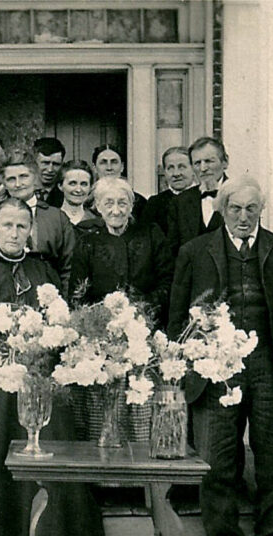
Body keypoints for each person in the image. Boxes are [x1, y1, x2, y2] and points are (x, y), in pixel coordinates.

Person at [168, 176, 273, 536]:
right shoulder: (194, 252)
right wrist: (185, 364)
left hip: (268, 366)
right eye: (235, 209)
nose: (244, 217)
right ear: (222, 209)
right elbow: (177, 317)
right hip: (215, 371)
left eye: (251, 209)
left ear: (261, 210)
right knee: (216, 459)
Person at [0, 198, 106, 536]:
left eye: (21, 226)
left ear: (30, 229)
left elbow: (61, 328)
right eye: (7, 225)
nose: (14, 232)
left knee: (47, 456)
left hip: (40, 377)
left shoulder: (45, 272)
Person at [69, 176, 174, 442]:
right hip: (101, 339)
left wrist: (142, 311)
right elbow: (78, 292)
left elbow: (167, 281)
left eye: (122, 203)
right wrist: (98, 321)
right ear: (98, 207)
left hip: (145, 335)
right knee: (103, 410)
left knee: (140, 411)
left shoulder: (151, 234)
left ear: (131, 205)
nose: (116, 210)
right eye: (109, 203)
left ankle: (137, 479)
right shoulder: (87, 240)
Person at [1, 148, 76, 294]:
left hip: (49, 293)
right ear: (4, 183)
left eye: (23, 176)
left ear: (35, 177)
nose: (18, 184)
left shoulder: (57, 218)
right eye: (11, 179)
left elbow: (69, 268)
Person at [166, 136, 230, 257]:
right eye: (197, 163)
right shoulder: (181, 202)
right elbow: (173, 251)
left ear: (225, 161)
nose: (203, 168)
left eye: (209, 161)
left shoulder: (240, 196)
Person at [143, 146, 196, 235]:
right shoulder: (155, 203)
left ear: (193, 169)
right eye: (170, 168)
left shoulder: (204, 199)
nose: (176, 173)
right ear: (164, 172)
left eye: (182, 167)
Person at [91, 144, 148, 216]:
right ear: (95, 168)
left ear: (122, 167)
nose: (109, 168)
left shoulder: (138, 202)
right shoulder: (86, 201)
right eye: (103, 162)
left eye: (114, 162)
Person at [56, 159, 96, 227]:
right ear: (60, 186)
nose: (78, 190)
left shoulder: (96, 221)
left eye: (84, 184)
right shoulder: (51, 219)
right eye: (72, 183)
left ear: (90, 187)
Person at [34, 136, 66, 207]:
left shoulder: (66, 194)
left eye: (56, 164)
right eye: (45, 163)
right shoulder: (21, 190)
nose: (50, 170)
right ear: (34, 163)